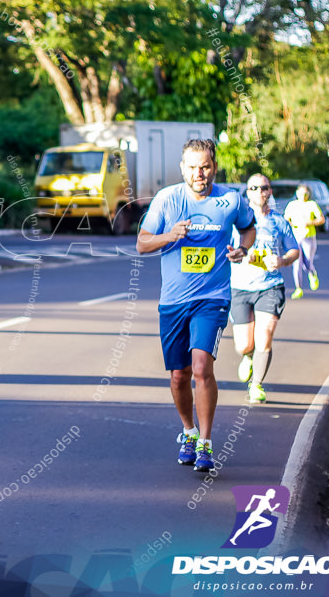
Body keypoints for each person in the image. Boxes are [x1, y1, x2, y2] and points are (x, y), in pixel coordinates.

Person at [136, 139, 255, 473]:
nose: (198, 173)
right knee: (179, 375)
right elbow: (142, 244)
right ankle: (188, 431)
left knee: (201, 368)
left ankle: (205, 442)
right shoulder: (167, 200)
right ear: (182, 168)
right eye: (192, 167)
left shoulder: (230, 199)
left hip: (212, 298)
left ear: (214, 166)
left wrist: (242, 249)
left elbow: (248, 228)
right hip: (173, 301)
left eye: (204, 166)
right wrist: (169, 235)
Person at [229, 175, 299, 404]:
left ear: (269, 192)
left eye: (264, 187)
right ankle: (248, 356)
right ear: (247, 192)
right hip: (240, 287)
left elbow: (294, 251)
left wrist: (282, 261)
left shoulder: (279, 221)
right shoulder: (236, 222)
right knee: (244, 344)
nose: (259, 191)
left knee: (265, 336)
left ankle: (256, 385)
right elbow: (223, 247)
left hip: (270, 286)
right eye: (254, 187)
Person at [283, 184, 325, 299]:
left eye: (305, 194)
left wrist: (310, 222)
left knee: (307, 264)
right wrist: (290, 225)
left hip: (308, 237)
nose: (303, 196)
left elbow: (321, 219)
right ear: (297, 193)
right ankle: (298, 288)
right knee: (296, 264)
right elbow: (286, 219)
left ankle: (312, 273)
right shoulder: (292, 205)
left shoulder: (312, 204)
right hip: (295, 237)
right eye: (301, 194)